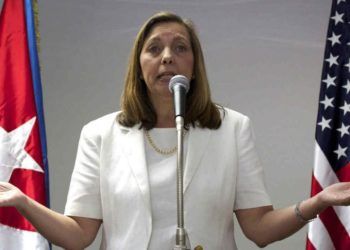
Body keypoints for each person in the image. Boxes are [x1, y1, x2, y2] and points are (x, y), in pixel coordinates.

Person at [1, 11, 350, 250]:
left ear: (194, 67)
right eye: (154, 48)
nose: (167, 57)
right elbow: (79, 236)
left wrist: (316, 203)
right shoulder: (100, 134)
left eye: (180, 48)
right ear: (139, 67)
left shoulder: (232, 129)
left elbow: (258, 229)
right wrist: (21, 201)